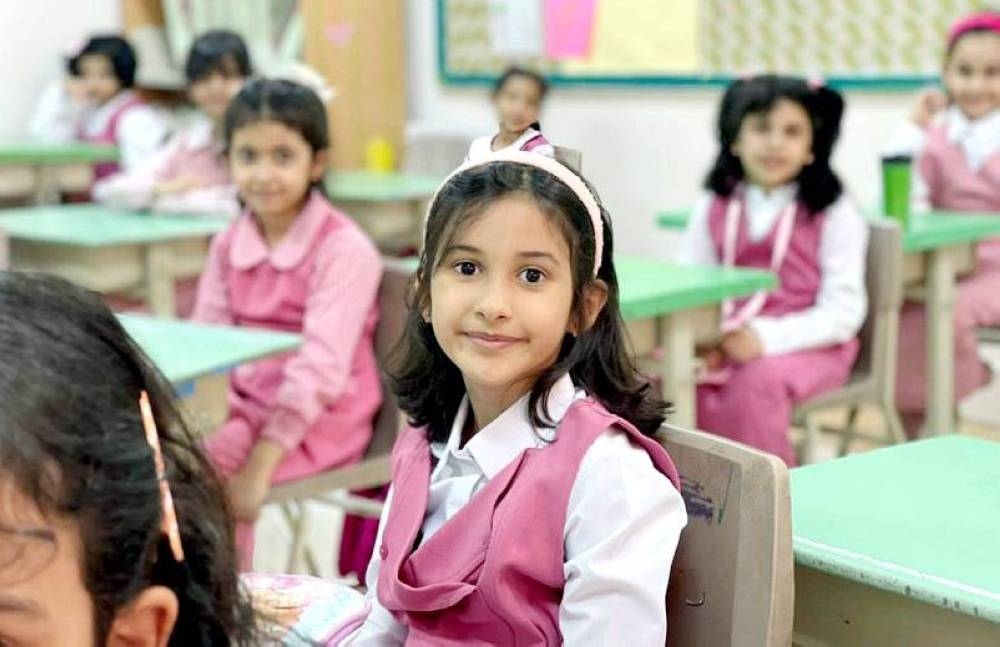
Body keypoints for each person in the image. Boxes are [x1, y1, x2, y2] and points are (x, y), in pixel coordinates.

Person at [350, 151, 685, 644]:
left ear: (584, 307)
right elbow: (384, 621)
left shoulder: (608, 476)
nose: (493, 306)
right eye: (467, 267)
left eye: (531, 276)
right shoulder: (422, 443)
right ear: (425, 294)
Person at [678, 75, 868, 465]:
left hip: (810, 344)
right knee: (665, 369)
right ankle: (680, 488)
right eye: (762, 129)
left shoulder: (834, 212)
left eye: (792, 132)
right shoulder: (714, 203)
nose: (775, 143)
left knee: (755, 382)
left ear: (812, 147)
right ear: (735, 140)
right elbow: (690, 282)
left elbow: (843, 312)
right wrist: (702, 337)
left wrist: (764, 338)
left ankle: (766, 498)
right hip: (726, 339)